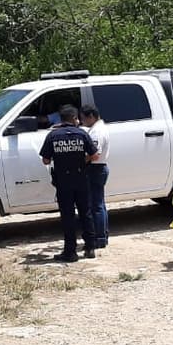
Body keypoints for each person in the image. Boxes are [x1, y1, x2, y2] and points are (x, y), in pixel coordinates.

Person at [40, 104, 99, 262]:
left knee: (68, 216)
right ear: (74, 118)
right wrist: (81, 160)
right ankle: (90, 247)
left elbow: (45, 160)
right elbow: (95, 156)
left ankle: (70, 252)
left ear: (61, 119)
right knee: (86, 213)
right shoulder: (82, 134)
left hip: (63, 181)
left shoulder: (53, 136)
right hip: (81, 178)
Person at [80, 105, 110, 249]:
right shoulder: (98, 128)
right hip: (99, 168)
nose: (82, 121)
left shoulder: (96, 132)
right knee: (100, 204)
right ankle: (103, 235)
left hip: (95, 169)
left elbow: (95, 154)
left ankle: (99, 238)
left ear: (91, 116)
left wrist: (79, 161)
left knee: (95, 206)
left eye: (83, 118)